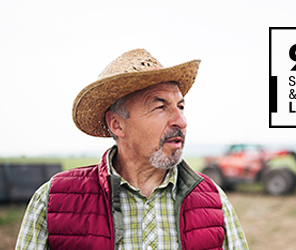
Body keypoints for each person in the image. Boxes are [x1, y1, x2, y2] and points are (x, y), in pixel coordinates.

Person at [16, 49, 249, 250]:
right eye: (160, 107)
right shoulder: (53, 200)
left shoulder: (213, 198)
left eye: (180, 106)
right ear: (117, 124)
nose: (181, 120)